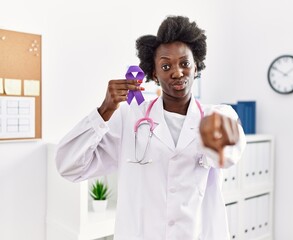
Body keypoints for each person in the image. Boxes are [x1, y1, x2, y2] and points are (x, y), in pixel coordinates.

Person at [55, 15, 246, 240]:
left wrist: (223, 142)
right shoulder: (129, 118)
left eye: (185, 63)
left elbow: (229, 152)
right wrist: (105, 110)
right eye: (166, 66)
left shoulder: (216, 115)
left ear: (196, 66)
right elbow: (69, 166)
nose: (177, 72)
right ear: (154, 73)